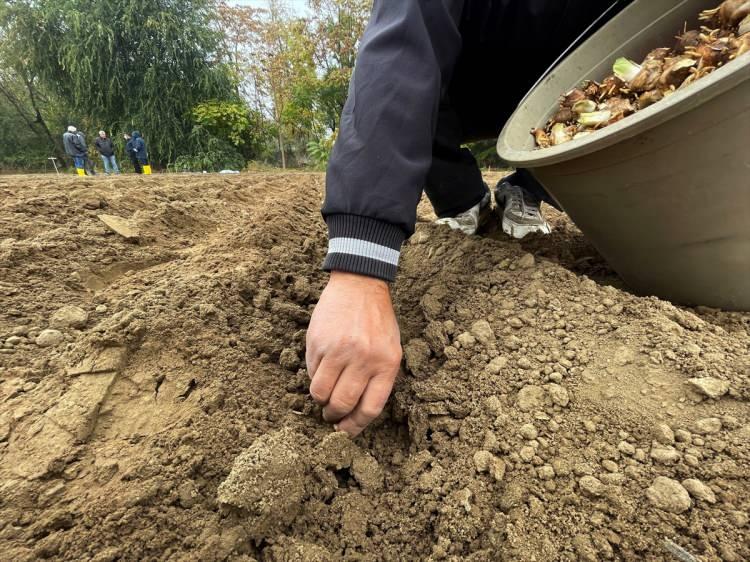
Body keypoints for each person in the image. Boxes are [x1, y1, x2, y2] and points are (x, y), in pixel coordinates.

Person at [307, 0, 634, 437]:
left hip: (571, 74)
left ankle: (529, 186)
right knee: (411, 74)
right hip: (463, 72)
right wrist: (359, 272)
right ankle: (465, 201)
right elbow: (404, 38)